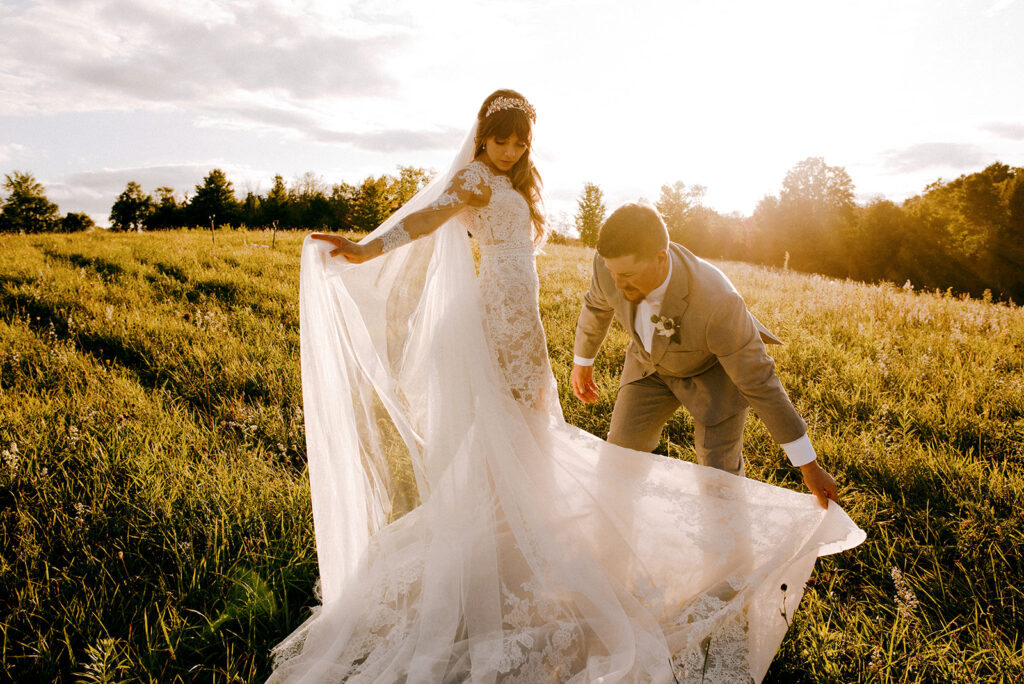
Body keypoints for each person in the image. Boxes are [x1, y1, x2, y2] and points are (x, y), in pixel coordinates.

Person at [269, 90, 864, 683]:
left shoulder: (531, 187)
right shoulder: (475, 178)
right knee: (521, 429)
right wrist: (370, 246)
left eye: (519, 139)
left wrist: (806, 463)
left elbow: (757, 381)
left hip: (548, 326)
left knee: (542, 428)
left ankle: (584, 545)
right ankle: (513, 541)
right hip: (500, 317)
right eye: (499, 138)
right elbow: (432, 218)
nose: (509, 149)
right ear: (482, 136)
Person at [571, 202, 840, 508]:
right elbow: (597, 305)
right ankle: (612, 536)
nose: (617, 284)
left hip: (714, 374)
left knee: (719, 483)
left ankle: (729, 548)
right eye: (613, 273)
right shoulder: (610, 265)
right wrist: (583, 362)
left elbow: (760, 383)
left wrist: (809, 465)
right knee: (619, 456)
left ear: (661, 258)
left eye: (628, 275)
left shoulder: (720, 303)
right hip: (649, 367)